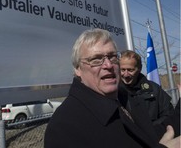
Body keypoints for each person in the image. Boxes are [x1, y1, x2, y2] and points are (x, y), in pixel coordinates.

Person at [44, 28, 180, 148]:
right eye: (96, 59)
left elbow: (151, 135)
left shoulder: (125, 97)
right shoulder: (64, 126)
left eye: (112, 56)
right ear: (78, 69)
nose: (108, 65)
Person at [119, 50, 174, 125]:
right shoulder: (113, 91)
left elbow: (169, 115)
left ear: (139, 68)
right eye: (122, 70)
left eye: (130, 70)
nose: (126, 75)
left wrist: (151, 129)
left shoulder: (154, 90)